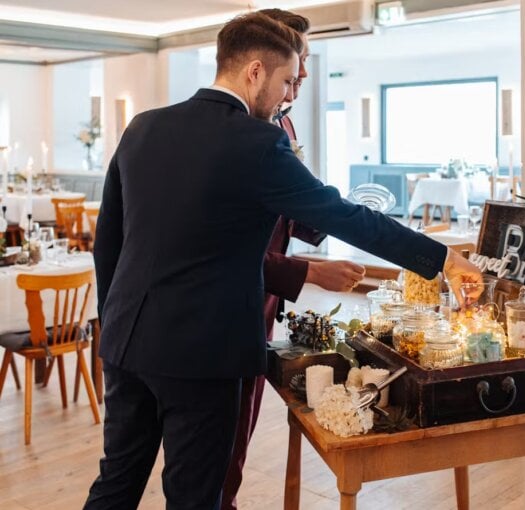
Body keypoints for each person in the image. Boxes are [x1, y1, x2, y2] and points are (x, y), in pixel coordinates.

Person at [85, 11, 481, 510]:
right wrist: (443, 259)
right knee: (193, 497)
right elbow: (344, 215)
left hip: (125, 342)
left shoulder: (143, 127)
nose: (289, 94)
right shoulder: (256, 143)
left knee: (115, 484)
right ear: (254, 71)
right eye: (288, 80)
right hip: (202, 355)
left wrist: (114, 322)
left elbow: (109, 243)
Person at [219, 9, 360, 510]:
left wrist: (316, 215)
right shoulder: (232, 131)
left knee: (241, 431)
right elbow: (222, 241)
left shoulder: (280, 120)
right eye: (291, 78)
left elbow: (279, 197)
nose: (295, 90)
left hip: (263, 303)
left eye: (301, 79)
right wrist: (308, 270)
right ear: (262, 65)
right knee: (222, 443)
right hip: (227, 308)